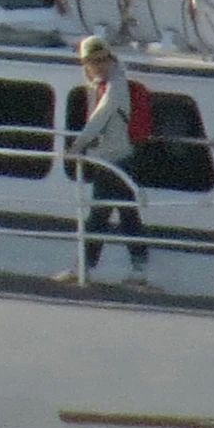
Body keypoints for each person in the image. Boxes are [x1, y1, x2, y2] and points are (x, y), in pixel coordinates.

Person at [63, 35, 152, 283]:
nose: (99, 65)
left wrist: (76, 146)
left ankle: (85, 268)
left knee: (101, 216)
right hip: (118, 159)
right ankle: (138, 268)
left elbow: (100, 118)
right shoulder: (104, 83)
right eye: (93, 61)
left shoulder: (115, 85)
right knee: (125, 215)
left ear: (110, 58)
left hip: (116, 161)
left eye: (102, 60)